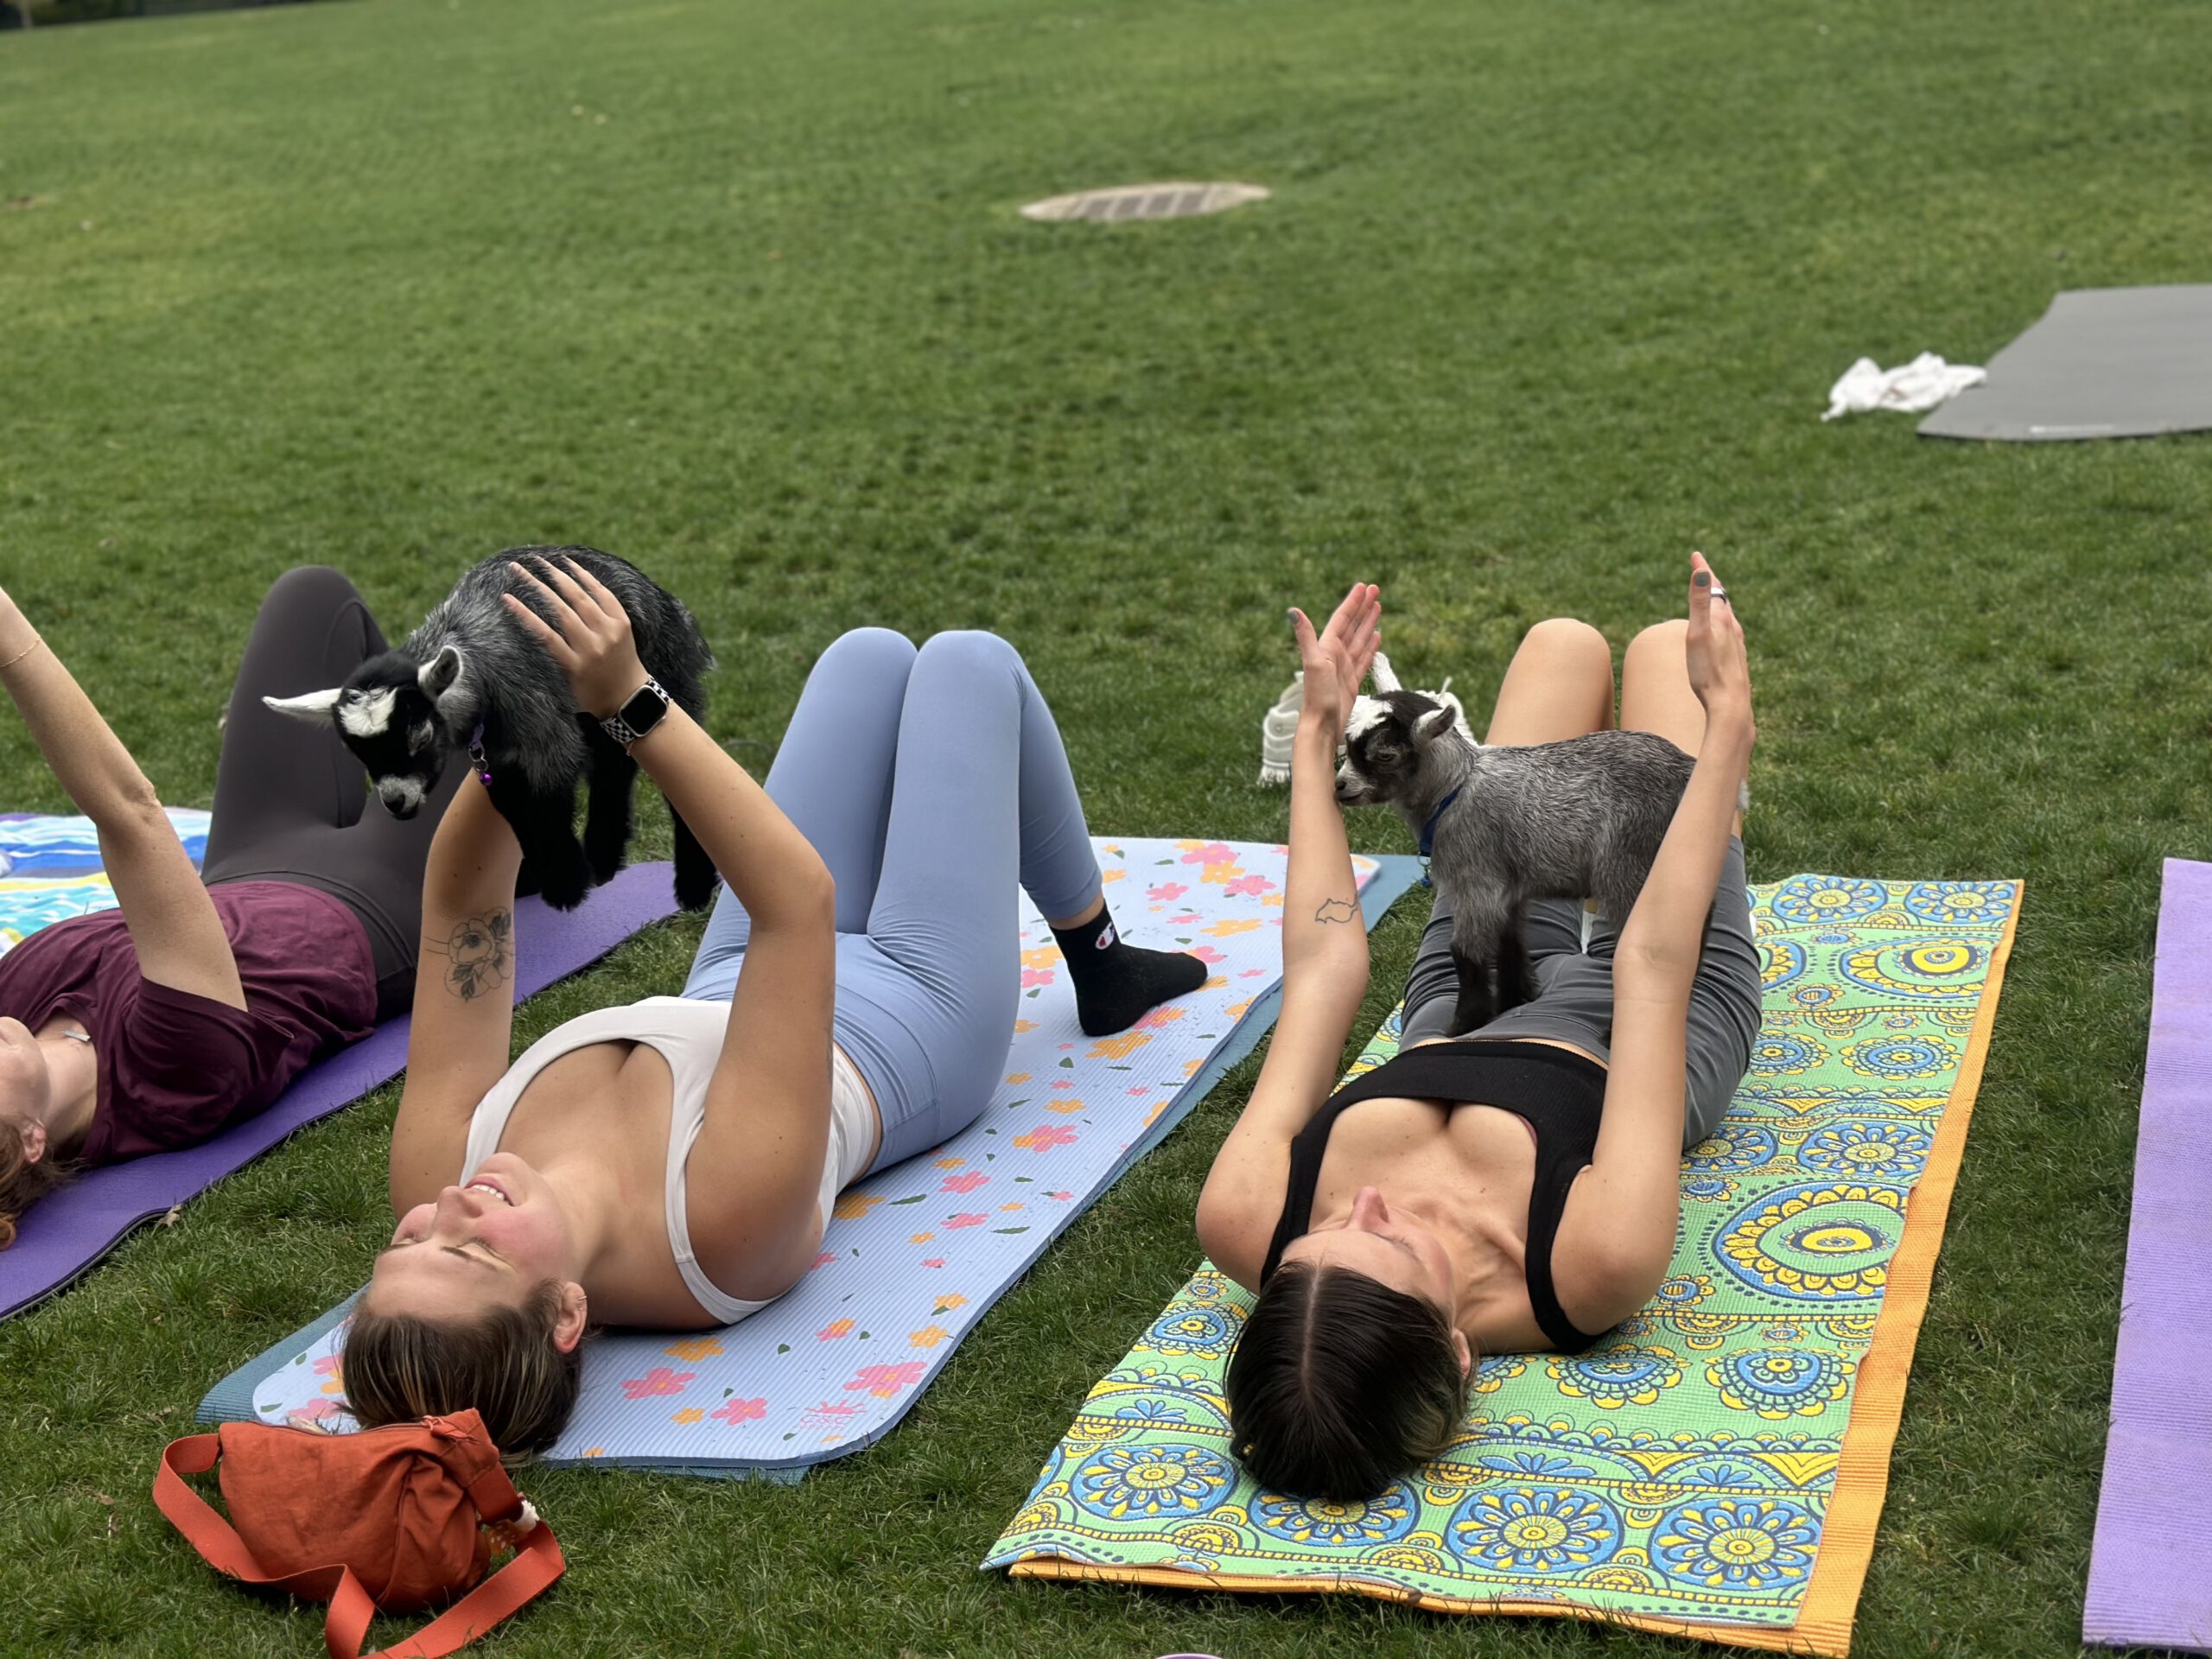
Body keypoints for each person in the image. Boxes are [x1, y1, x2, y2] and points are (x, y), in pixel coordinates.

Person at [342, 556, 1206, 1459]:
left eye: (405, 1243)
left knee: (865, 658)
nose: (448, 1211)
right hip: (914, 1007)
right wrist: (631, 704)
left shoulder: (443, 1171)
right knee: (969, 664)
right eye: (472, 1254)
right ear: (566, 1313)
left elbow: (465, 914)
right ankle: (1100, 960)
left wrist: (512, 732)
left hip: (738, 976)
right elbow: (796, 904)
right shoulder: (716, 1230)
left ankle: (1096, 954)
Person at [1196, 557, 1759, 1501]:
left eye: (1323, 1233)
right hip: (1643, 1020)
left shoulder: (1242, 1217)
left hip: (1459, 1006)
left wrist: (1317, 740)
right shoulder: (1590, 1263)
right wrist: (1727, 730)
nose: (1364, 1204)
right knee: (1673, 654)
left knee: (1559, 646)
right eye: (1396, 1244)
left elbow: (1326, 969)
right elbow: (1652, 970)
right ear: (1457, 1352)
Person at [0, 569, 465, 1249]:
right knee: (491, 657)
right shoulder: (173, 1077)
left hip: (247, 860)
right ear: (31, 1141)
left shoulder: (15, 1004)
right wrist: (10, 633)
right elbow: (132, 816)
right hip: (376, 903)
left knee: (311, 596)